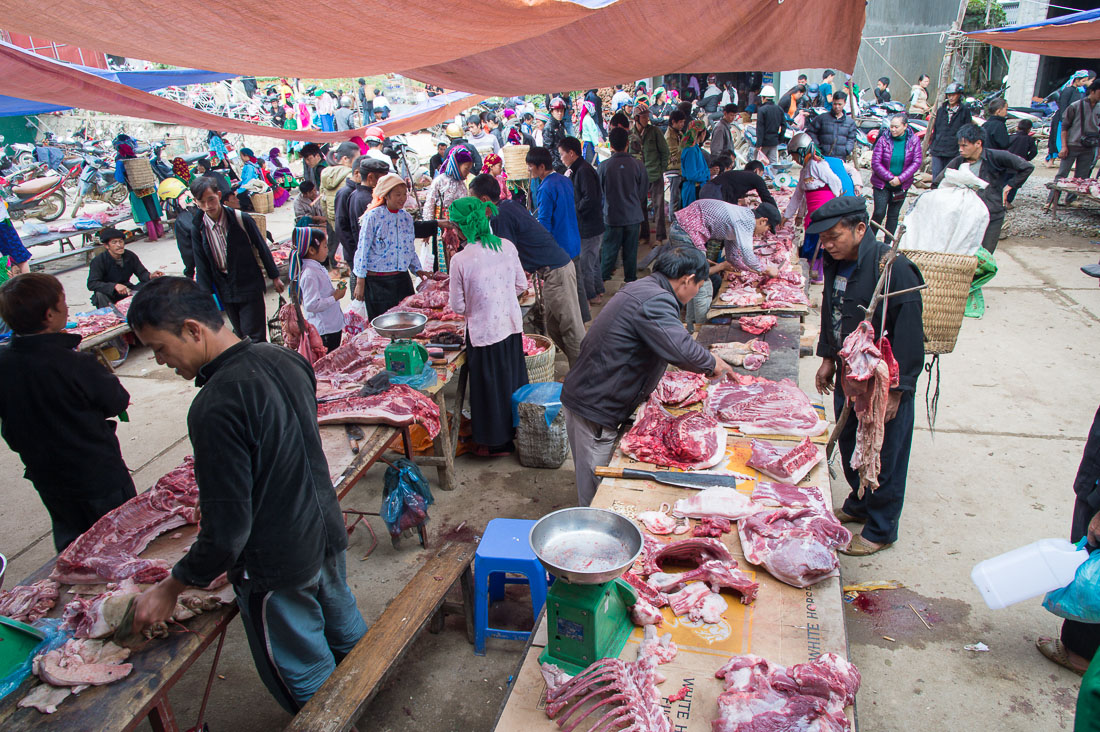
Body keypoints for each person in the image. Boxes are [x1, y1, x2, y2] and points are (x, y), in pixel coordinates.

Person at [127, 277, 364, 713]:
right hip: (326, 528)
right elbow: (285, 450)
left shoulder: (215, 404)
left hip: (280, 562)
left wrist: (170, 587)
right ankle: (368, 697)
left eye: (159, 347)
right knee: (343, 624)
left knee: (305, 671)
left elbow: (226, 535)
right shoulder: (284, 359)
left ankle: (331, 721)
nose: (159, 361)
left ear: (193, 330)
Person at [561, 246, 735, 505]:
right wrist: (712, 363)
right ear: (686, 280)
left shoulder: (646, 287)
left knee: (597, 476)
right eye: (699, 285)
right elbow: (680, 349)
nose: (697, 291)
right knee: (597, 491)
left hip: (593, 392)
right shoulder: (656, 300)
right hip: (595, 403)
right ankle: (593, 532)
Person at [809, 196, 924, 556]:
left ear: (860, 229)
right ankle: (859, 505)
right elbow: (832, 310)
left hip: (881, 381)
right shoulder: (835, 262)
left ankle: (881, 529)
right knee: (849, 443)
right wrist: (828, 357)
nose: (826, 245)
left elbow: (908, 333)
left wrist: (897, 391)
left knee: (883, 452)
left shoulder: (894, 268)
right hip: (849, 373)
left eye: (832, 236)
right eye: (822, 239)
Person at [0, 273, 136, 551]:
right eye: (64, 301)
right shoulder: (74, 363)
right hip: (96, 474)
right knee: (120, 544)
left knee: (73, 547)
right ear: (49, 314)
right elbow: (117, 401)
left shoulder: (4, 363)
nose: (67, 307)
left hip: (47, 476)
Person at [470, 174, 586, 366]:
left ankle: (584, 378)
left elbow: (507, 256)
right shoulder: (509, 205)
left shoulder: (500, 216)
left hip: (557, 271)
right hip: (553, 271)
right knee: (555, 328)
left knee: (571, 328)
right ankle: (579, 370)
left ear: (483, 200)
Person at [445, 197, 528, 455]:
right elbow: (521, 286)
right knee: (511, 381)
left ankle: (494, 444)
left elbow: (457, 306)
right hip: (510, 326)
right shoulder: (507, 246)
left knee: (489, 388)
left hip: (483, 333)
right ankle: (518, 434)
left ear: (460, 229)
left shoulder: (460, 260)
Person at [189, 175, 285, 342]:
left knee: (254, 335)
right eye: (201, 202)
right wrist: (205, 296)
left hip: (249, 283)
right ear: (195, 202)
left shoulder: (241, 219)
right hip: (224, 286)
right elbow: (201, 263)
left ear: (219, 195)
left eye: (211, 200)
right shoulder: (198, 227)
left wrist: (274, 276)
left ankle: (261, 364)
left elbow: (262, 247)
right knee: (241, 334)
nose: (207, 206)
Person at [669, 199, 782, 327]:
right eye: (767, 228)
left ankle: (691, 326)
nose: (765, 232)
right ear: (763, 220)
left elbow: (733, 257)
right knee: (702, 283)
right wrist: (767, 269)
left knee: (694, 280)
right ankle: (702, 329)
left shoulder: (740, 218)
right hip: (686, 231)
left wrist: (754, 271)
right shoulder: (747, 221)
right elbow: (748, 256)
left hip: (682, 228)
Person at [353, 174, 448, 318]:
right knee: (382, 324)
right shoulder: (372, 217)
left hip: (401, 280)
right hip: (378, 282)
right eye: (398, 194)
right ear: (386, 195)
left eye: (404, 194)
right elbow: (363, 249)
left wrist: (417, 269)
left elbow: (408, 247)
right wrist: (360, 281)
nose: (402, 198)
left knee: (406, 320)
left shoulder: (406, 218)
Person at [934, 123, 1034, 253]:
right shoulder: (958, 162)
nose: (960, 149)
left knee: (985, 257)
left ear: (978, 143)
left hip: (991, 215)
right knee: (963, 255)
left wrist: (1009, 186)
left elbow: (1027, 167)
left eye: (964, 145)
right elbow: (937, 183)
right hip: (965, 217)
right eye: (959, 145)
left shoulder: (996, 157)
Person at [786, 132, 844, 283]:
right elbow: (799, 195)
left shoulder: (818, 165)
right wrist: (788, 215)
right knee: (810, 242)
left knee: (821, 242)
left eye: (794, 156)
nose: (794, 160)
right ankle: (811, 272)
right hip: (812, 213)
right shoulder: (805, 170)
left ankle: (817, 274)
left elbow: (835, 182)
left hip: (824, 210)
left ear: (802, 151)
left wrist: (835, 205)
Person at [560, 137, 604, 316]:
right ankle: (598, 290)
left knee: (586, 262)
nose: (561, 158)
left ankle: (592, 295)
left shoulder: (583, 171)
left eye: (563, 154)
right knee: (592, 261)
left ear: (571, 153)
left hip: (589, 225)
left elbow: (590, 198)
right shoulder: (576, 169)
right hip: (590, 224)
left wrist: (574, 212)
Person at [598, 127, 648, 285]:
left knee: (608, 253)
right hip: (633, 216)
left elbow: (599, 192)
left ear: (610, 145)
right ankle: (630, 284)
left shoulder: (604, 166)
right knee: (631, 253)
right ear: (628, 143)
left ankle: (599, 287)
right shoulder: (638, 165)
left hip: (612, 217)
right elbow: (643, 191)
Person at [288, 227, 346, 353]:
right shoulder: (310, 274)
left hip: (331, 326)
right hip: (325, 330)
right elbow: (311, 305)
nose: (327, 250)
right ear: (312, 250)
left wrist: (335, 292)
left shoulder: (316, 267)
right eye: (325, 246)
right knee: (327, 363)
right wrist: (335, 297)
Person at [1049, 79, 1100, 209]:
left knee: (1082, 177)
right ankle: (1051, 200)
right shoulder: (1076, 106)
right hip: (1072, 145)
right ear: (1093, 91)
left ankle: (1071, 199)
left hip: (1090, 147)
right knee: (1062, 175)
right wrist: (1064, 146)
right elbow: (1065, 127)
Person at [870, 114, 923, 238]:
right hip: (882, 184)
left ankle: (888, 243)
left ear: (905, 126)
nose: (893, 130)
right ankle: (869, 240)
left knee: (893, 215)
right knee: (879, 212)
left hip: (901, 185)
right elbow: (876, 162)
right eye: (891, 127)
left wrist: (900, 179)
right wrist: (890, 178)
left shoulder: (913, 141)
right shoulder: (883, 139)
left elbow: (916, 162)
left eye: (896, 127)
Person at [87, 227, 163, 307]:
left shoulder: (130, 255)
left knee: (153, 284)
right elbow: (92, 283)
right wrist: (114, 286)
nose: (119, 245)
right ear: (106, 246)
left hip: (127, 289)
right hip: (110, 293)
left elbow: (142, 273)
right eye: (114, 242)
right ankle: (110, 316)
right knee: (100, 294)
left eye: (121, 241)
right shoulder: (99, 261)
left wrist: (151, 276)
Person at [630, 104, 670, 245]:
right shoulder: (631, 135)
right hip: (639, 177)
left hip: (655, 174)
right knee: (641, 207)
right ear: (636, 118)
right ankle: (644, 236)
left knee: (658, 206)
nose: (647, 119)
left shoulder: (655, 131)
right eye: (644, 117)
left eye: (648, 116)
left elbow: (665, 152)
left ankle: (660, 237)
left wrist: (661, 169)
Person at [115, 143, 165, 242]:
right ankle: (160, 232)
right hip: (149, 188)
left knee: (144, 212)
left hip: (135, 190)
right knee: (153, 210)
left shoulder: (121, 162)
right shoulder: (139, 159)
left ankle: (152, 236)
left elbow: (119, 178)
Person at [925, 82, 973, 178]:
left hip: (954, 150)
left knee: (950, 178)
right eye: (949, 95)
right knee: (937, 178)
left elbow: (966, 131)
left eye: (953, 95)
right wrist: (932, 146)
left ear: (959, 95)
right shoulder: (941, 110)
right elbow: (936, 129)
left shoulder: (964, 111)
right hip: (938, 149)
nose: (951, 98)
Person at [1047, 70, 1092, 164]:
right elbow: (1063, 105)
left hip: (1073, 119)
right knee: (1058, 140)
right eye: (1083, 81)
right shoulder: (1068, 90)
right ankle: (1052, 160)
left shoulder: (1079, 92)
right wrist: (1065, 119)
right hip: (1062, 119)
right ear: (1077, 80)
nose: (1084, 83)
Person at [423, 148, 473, 222]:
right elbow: (430, 204)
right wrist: (429, 225)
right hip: (441, 224)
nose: (468, 172)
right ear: (456, 166)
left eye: (469, 169)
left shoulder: (462, 184)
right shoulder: (439, 181)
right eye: (466, 169)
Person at [701, 161, 777, 208]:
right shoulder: (755, 177)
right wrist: (775, 213)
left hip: (707, 189)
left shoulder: (740, 174)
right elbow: (766, 197)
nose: (761, 176)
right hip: (714, 192)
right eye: (761, 173)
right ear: (757, 170)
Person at [807, 89, 857, 160]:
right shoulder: (822, 118)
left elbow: (851, 138)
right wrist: (817, 147)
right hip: (822, 157)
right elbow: (810, 132)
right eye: (835, 104)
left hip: (840, 158)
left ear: (845, 103)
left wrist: (847, 150)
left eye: (839, 104)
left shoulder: (850, 122)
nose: (837, 107)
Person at [1005, 119, 1039, 207]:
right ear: (1029, 129)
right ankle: (1008, 201)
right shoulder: (1029, 139)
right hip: (1020, 164)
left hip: (1007, 163)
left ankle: (1001, 199)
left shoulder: (1011, 137)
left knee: (1005, 181)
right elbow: (1034, 152)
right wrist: (1027, 159)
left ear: (1018, 127)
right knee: (1015, 183)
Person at [679, 120, 711, 207]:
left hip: (695, 188)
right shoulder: (691, 150)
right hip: (693, 190)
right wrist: (708, 173)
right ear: (702, 133)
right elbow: (691, 175)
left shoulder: (694, 148)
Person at [0, 199, 32, 278]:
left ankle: (28, 283)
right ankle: (29, 283)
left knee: (19, 257)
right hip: (3, 224)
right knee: (19, 256)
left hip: (3, 223)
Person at [755, 86, 785, 164]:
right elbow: (784, 126)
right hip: (774, 141)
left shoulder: (762, 110)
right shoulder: (779, 109)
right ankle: (773, 176)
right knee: (773, 164)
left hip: (764, 142)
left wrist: (759, 144)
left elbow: (760, 128)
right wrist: (780, 139)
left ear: (764, 98)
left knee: (760, 163)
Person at [665, 110, 688, 213]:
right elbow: (674, 153)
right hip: (673, 169)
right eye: (680, 122)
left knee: (677, 197)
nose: (682, 125)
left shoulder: (679, 133)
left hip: (679, 169)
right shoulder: (670, 136)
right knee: (674, 198)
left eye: (683, 122)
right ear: (673, 122)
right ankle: (672, 220)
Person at [544, 98, 569, 173]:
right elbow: (548, 149)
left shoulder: (560, 124)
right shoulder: (549, 127)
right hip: (557, 165)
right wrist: (555, 166)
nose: (560, 113)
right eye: (557, 111)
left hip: (563, 161)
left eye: (561, 111)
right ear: (552, 112)